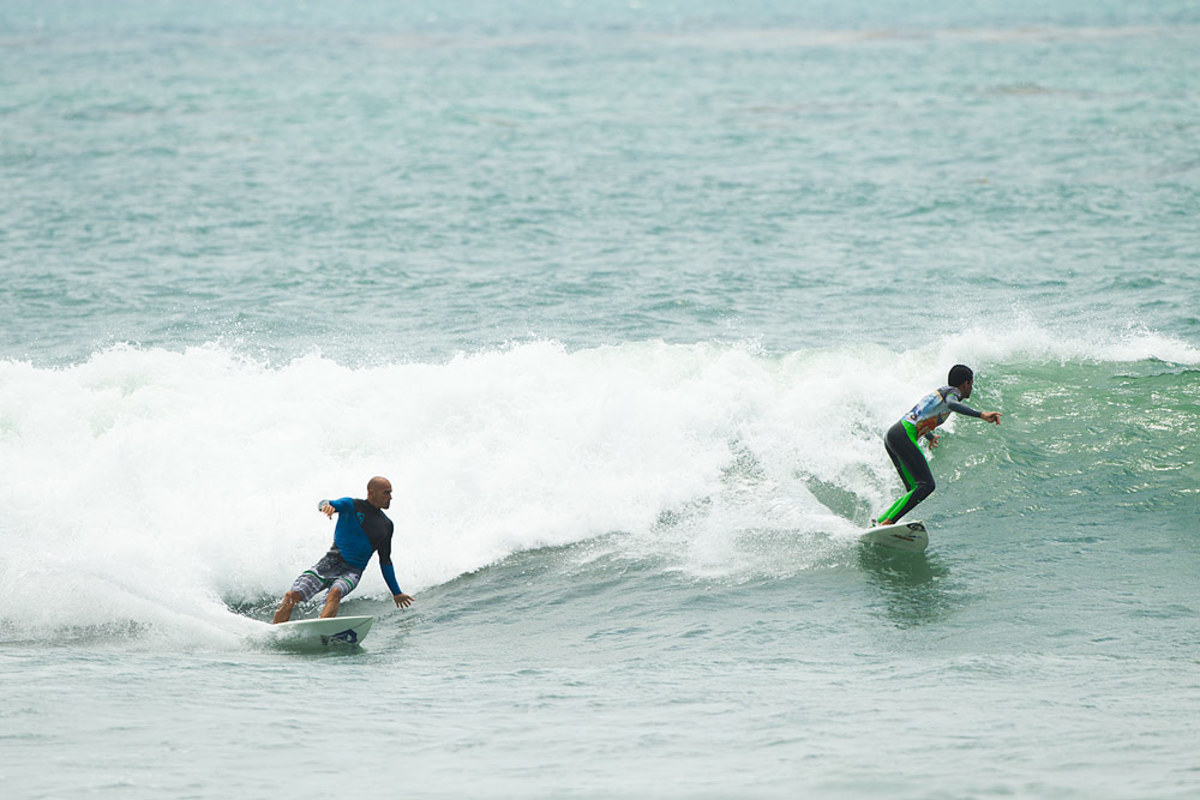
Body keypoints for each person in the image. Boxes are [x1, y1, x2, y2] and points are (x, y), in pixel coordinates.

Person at [272, 476, 414, 623]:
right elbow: (325, 503)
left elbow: (385, 561)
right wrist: (326, 507)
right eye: (386, 493)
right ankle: (274, 632)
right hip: (328, 563)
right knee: (291, 595)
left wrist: (396, 593)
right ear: (371, 493)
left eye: (390, 492)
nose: (390, 497)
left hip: (352, 571)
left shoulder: (386, 525)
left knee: (336, 591)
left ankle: (322, 632)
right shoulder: (350, 505)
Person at [875, 365, 1001, 526]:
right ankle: (889, 522)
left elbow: (920, 416)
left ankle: (881, 521)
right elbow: (952, 404)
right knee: (927, 485)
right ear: (965, 383)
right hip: (902, 435)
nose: (971, 388)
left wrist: (929, 436)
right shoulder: (952, 393)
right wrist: (981, 414)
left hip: (894, 434)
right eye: (971, 383)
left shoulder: (941, 392)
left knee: (915, 488)